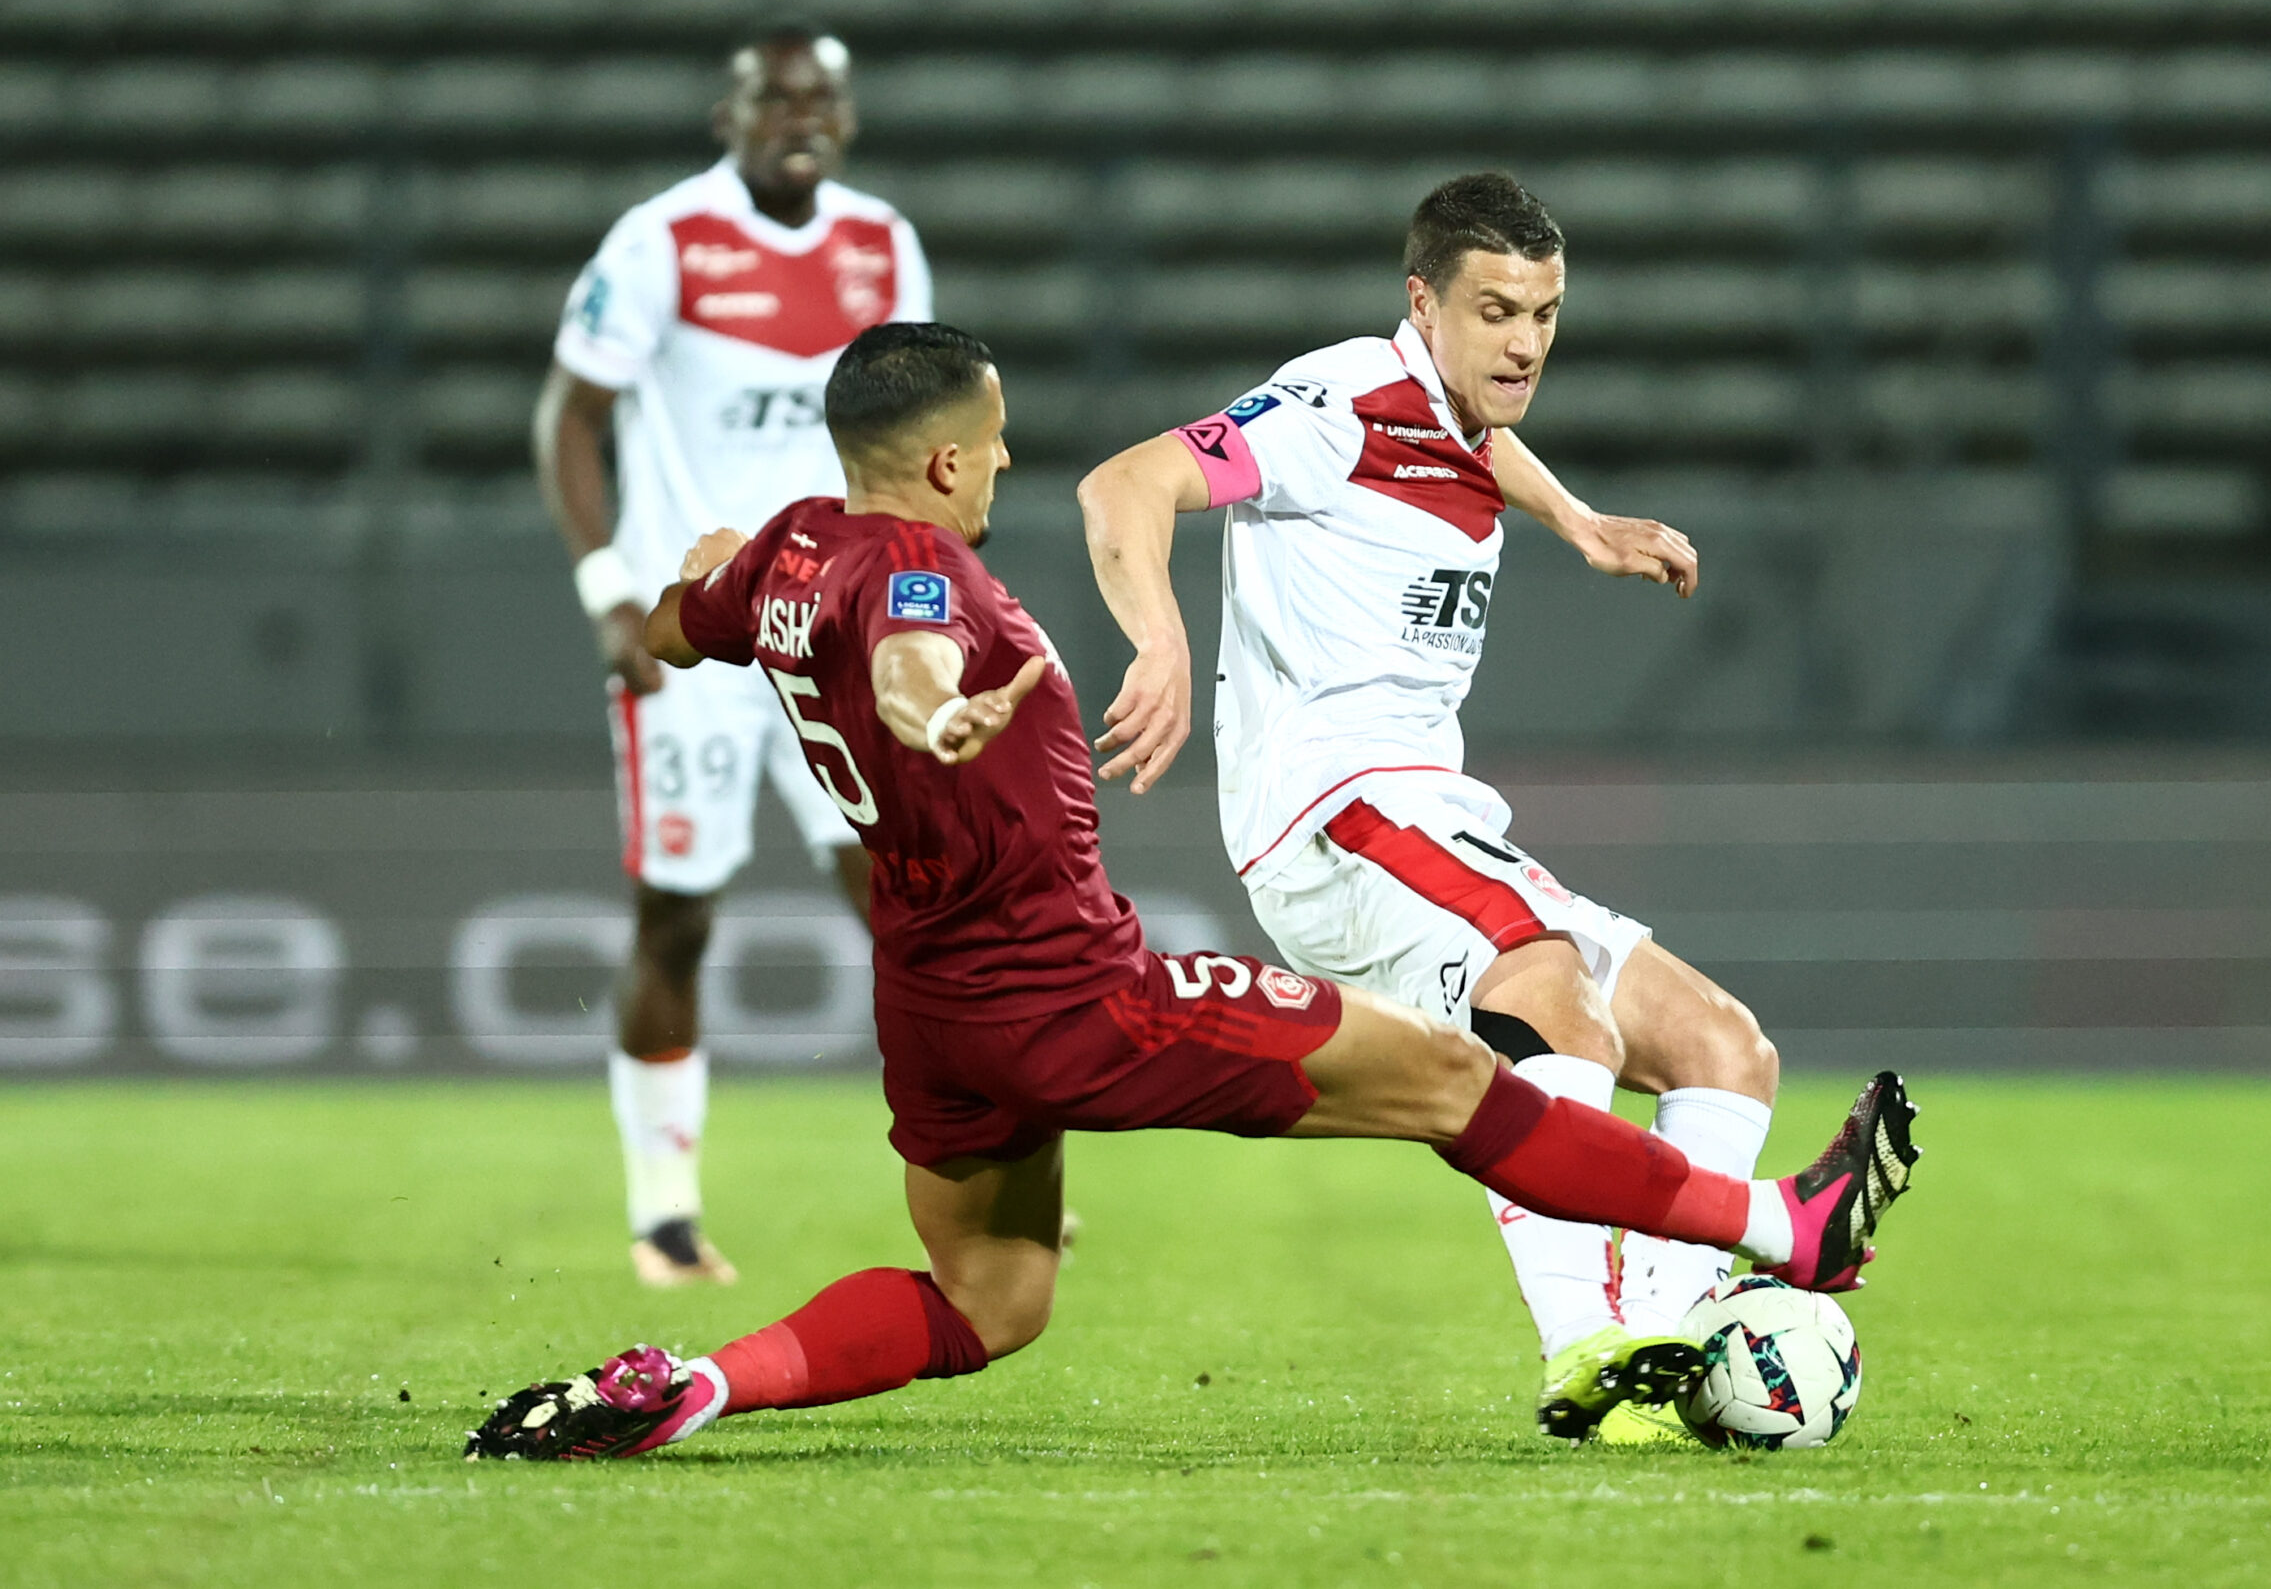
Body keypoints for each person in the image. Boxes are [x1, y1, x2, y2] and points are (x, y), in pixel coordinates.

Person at [464, 323, 1919, 1461]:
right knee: (1457, 1084)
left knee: (992, 1300)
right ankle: (1787, 1229)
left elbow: (670, 624)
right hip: (1081, 997)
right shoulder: (917, 573)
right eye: (1002, 444)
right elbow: (910, 654)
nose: (1013, 464)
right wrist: (932, 711)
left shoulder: (790, 548)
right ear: (953, 464)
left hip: (933, 1013)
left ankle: (695, 1381)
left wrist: (699, 579)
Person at [1075, 171, 1814, 1443]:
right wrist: (1158, 641)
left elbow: (1474, 436)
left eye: (1544, 311)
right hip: (1335, 809)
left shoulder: (1449, 409)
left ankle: (1679, 1337)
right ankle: (1589, 1347)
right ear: (1423, 303)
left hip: (1433, 812)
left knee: (1722, 1047)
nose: (1524, 341)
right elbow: (1120, 487)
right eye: (1493, 311)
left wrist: (1578, 521)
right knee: (1543, 997)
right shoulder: (1340, 395)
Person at [532, 23, 931, 1287]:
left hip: (831, 633)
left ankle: (973, 1163)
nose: (798, 118)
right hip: (697, 633)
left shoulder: (881, 245)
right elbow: (570, 419)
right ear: (729, 116)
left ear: (848, 119)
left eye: (820, 99)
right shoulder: (665, 242)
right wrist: (609, 593)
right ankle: (663, 1215)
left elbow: (914, 436)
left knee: (903, 902)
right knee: (680, 918)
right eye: (773, 100)